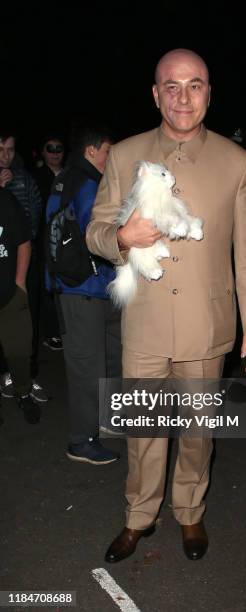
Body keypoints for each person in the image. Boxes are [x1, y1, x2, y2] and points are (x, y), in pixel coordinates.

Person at [86, 49, 246, 562]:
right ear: (155, 94)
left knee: (197, 429)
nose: (183, 96)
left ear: (209, 92)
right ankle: (138, 517)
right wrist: (120, 236)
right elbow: (95, 229)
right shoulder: (124, 155)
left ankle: (190, 512)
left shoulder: (236, 163)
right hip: (144, 324)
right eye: (172, 86)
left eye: (195, 85)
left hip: (207, 324)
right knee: (143, 431)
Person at [46, 124, 122, 464]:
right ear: (92, 151)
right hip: (81, 290)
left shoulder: (72, 178)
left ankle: (104, 421)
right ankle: (81, 440)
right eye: (109, 151)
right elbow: (101, 233)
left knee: (109, 356)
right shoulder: (88, 183)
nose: (113, 158)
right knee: (86, 367)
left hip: (93, 287)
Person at [0, 131, 48, 402]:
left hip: (19, 257)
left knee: (23, 323)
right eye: (0, 149)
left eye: (10, 149)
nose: (5, 155)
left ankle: (24, 379)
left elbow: (34, 213)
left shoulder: (23, 177)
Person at [0, 187, 41, 424]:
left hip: (9, 294)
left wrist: (20, 281)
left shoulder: (5, 200)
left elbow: (24, 241)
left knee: (19, 352)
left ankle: (23, 392)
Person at [34, 135, 65, 352]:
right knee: (47, 287)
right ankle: (51, 332)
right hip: (44, 241)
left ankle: (65, 329)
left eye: (58, 148)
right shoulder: (35, 177)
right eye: (50, 148)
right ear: (43, 152)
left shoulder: (71, 175)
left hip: (68, 240)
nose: (54, 152)